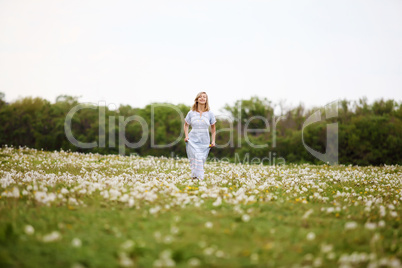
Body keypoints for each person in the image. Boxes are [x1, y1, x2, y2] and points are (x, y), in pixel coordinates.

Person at [184, 92, 216, 180]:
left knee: (201, 160)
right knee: (195, 158)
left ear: (206, 100)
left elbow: (213, 128)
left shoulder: (210, 114)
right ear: (197, 99)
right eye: (200, 97)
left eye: (204, 97)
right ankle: (198, 178)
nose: (202, 98)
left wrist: (213, 141)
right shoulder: (191, 113)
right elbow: (186, 125)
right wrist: (186, 136)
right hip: (193, 140)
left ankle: (195, 176)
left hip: (204, 141)